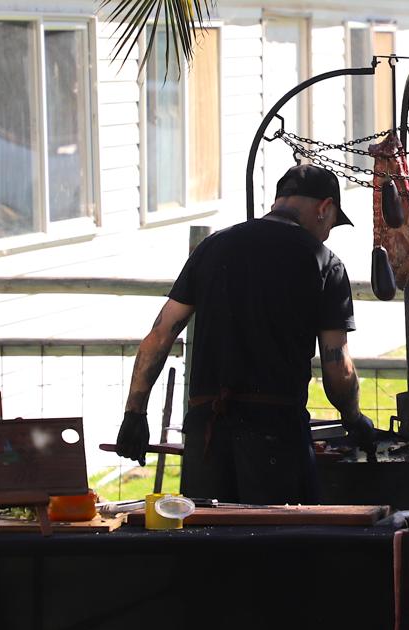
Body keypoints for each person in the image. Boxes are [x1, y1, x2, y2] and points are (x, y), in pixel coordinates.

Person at [115, 164, 374, 504]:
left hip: (207, 434)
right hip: (275, 436)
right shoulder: (324, 262)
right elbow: (336, 364)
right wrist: (353, 417)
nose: (326, 234)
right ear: (324, 208)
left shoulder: (212, 247)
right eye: (331, 224)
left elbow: (161, 333)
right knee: (278, 548)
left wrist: (135, 413)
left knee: (209, 546)